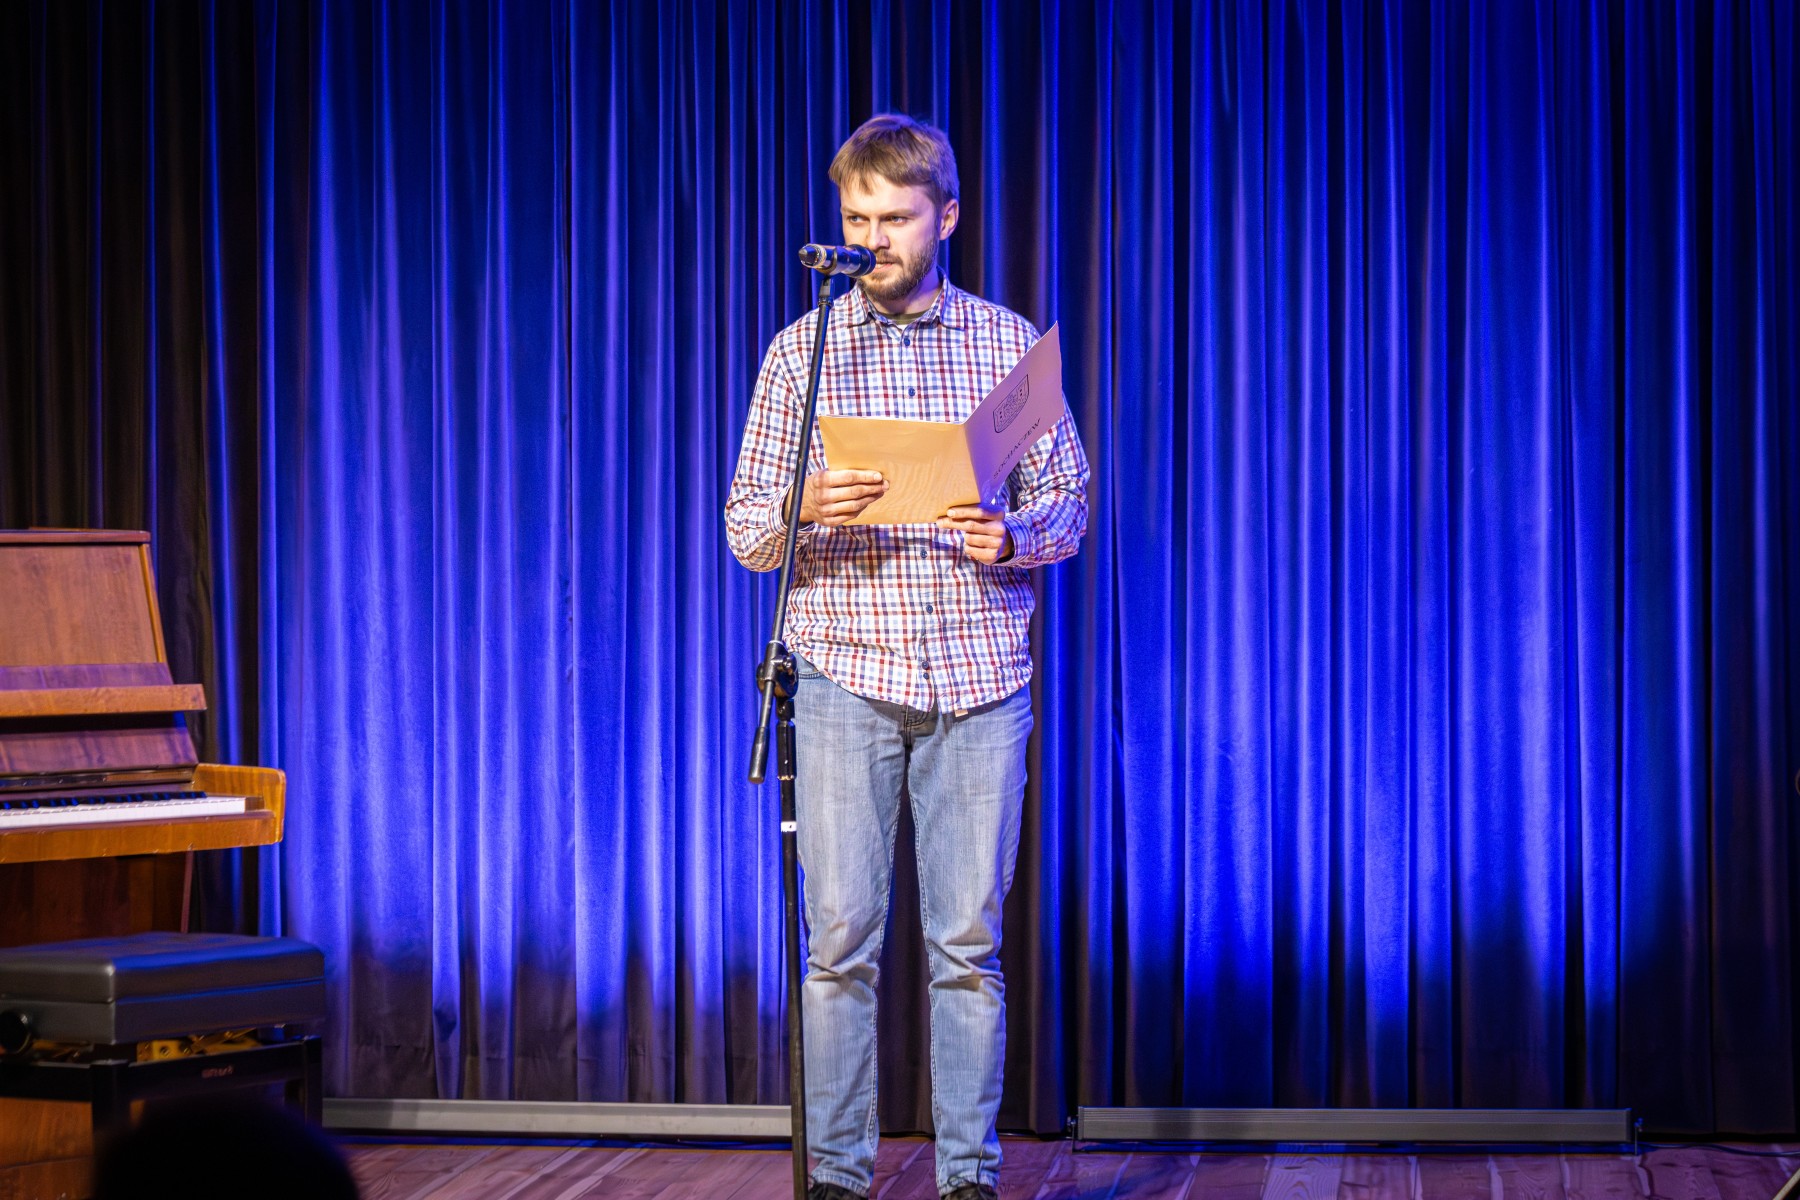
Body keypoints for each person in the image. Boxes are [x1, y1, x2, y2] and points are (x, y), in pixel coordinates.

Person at [725, 114, 1089, 1200]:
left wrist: (1012, 536)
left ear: (948, 217)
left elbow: (1070, 504)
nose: (871, 240)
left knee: (966, 947)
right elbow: (745, 530)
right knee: (839, 945)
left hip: (979, 679)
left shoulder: (1004, 345)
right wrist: (803, 503)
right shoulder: (803, 351)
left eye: (894, 218)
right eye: (856, 219)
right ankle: (837, 1179)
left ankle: (968, 1176)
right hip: (846, 675)